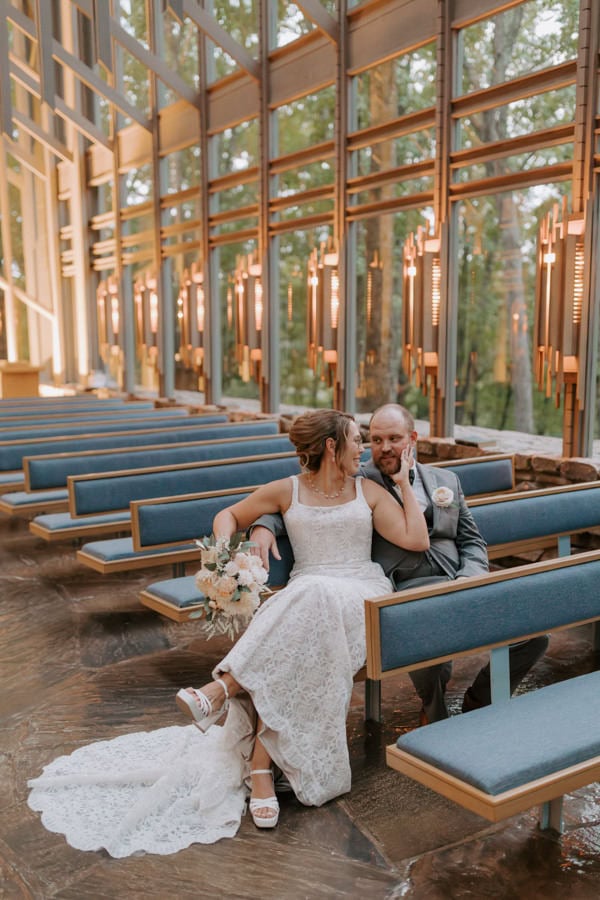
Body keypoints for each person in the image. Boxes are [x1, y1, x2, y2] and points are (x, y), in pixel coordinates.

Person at [27, 409, 428, 856]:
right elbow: (227, 516)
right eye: (358, 440)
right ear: (332, 446)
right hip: (309, 603)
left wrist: (407, 484)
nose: (364, 449)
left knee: (298, 600)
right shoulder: (287, 490)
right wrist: (227, 560)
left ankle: (220, 691)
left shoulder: (368, 490)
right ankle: (259, 768)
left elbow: (417, 539)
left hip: (358, 592)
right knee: (297, 618)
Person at [252, 403, 548, 724]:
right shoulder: (357, 477)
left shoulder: (445, 479)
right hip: (406, 589)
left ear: (414, 438)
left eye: (394, 438)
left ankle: (479, 701)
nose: (385, 448)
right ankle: (435, 716)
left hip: (462, 582)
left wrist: (469, 578)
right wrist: (265, 525)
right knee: (427, 637)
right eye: (377, 440)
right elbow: (308, 497)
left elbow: (472, 541)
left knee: (534, 633)